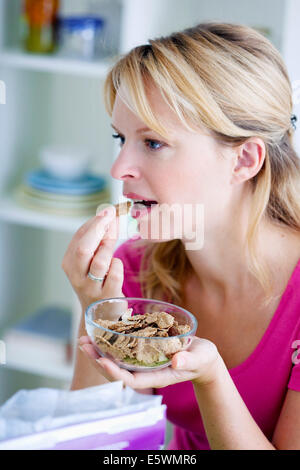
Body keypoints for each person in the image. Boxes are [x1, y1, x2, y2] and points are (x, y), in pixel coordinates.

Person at [62, 23, 300, 450]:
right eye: (121, 138)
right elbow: (96, 443)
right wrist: (96, 311)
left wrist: (210, 376)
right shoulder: (132, 270)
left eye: (152, 143)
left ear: (244, 159)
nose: (119, 170)